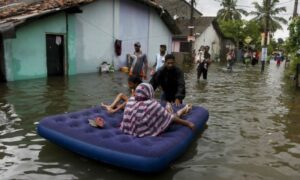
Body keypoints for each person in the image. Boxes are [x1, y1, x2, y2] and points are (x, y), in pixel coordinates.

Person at [120, 83, 194, 137]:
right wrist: (188, 123)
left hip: (130, 129)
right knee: (171, 116)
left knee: (166, 111)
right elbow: (170, 118)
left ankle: (172, 107)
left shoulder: (131, 100)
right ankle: (184, 109)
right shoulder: (152, 104)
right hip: (147, 130)